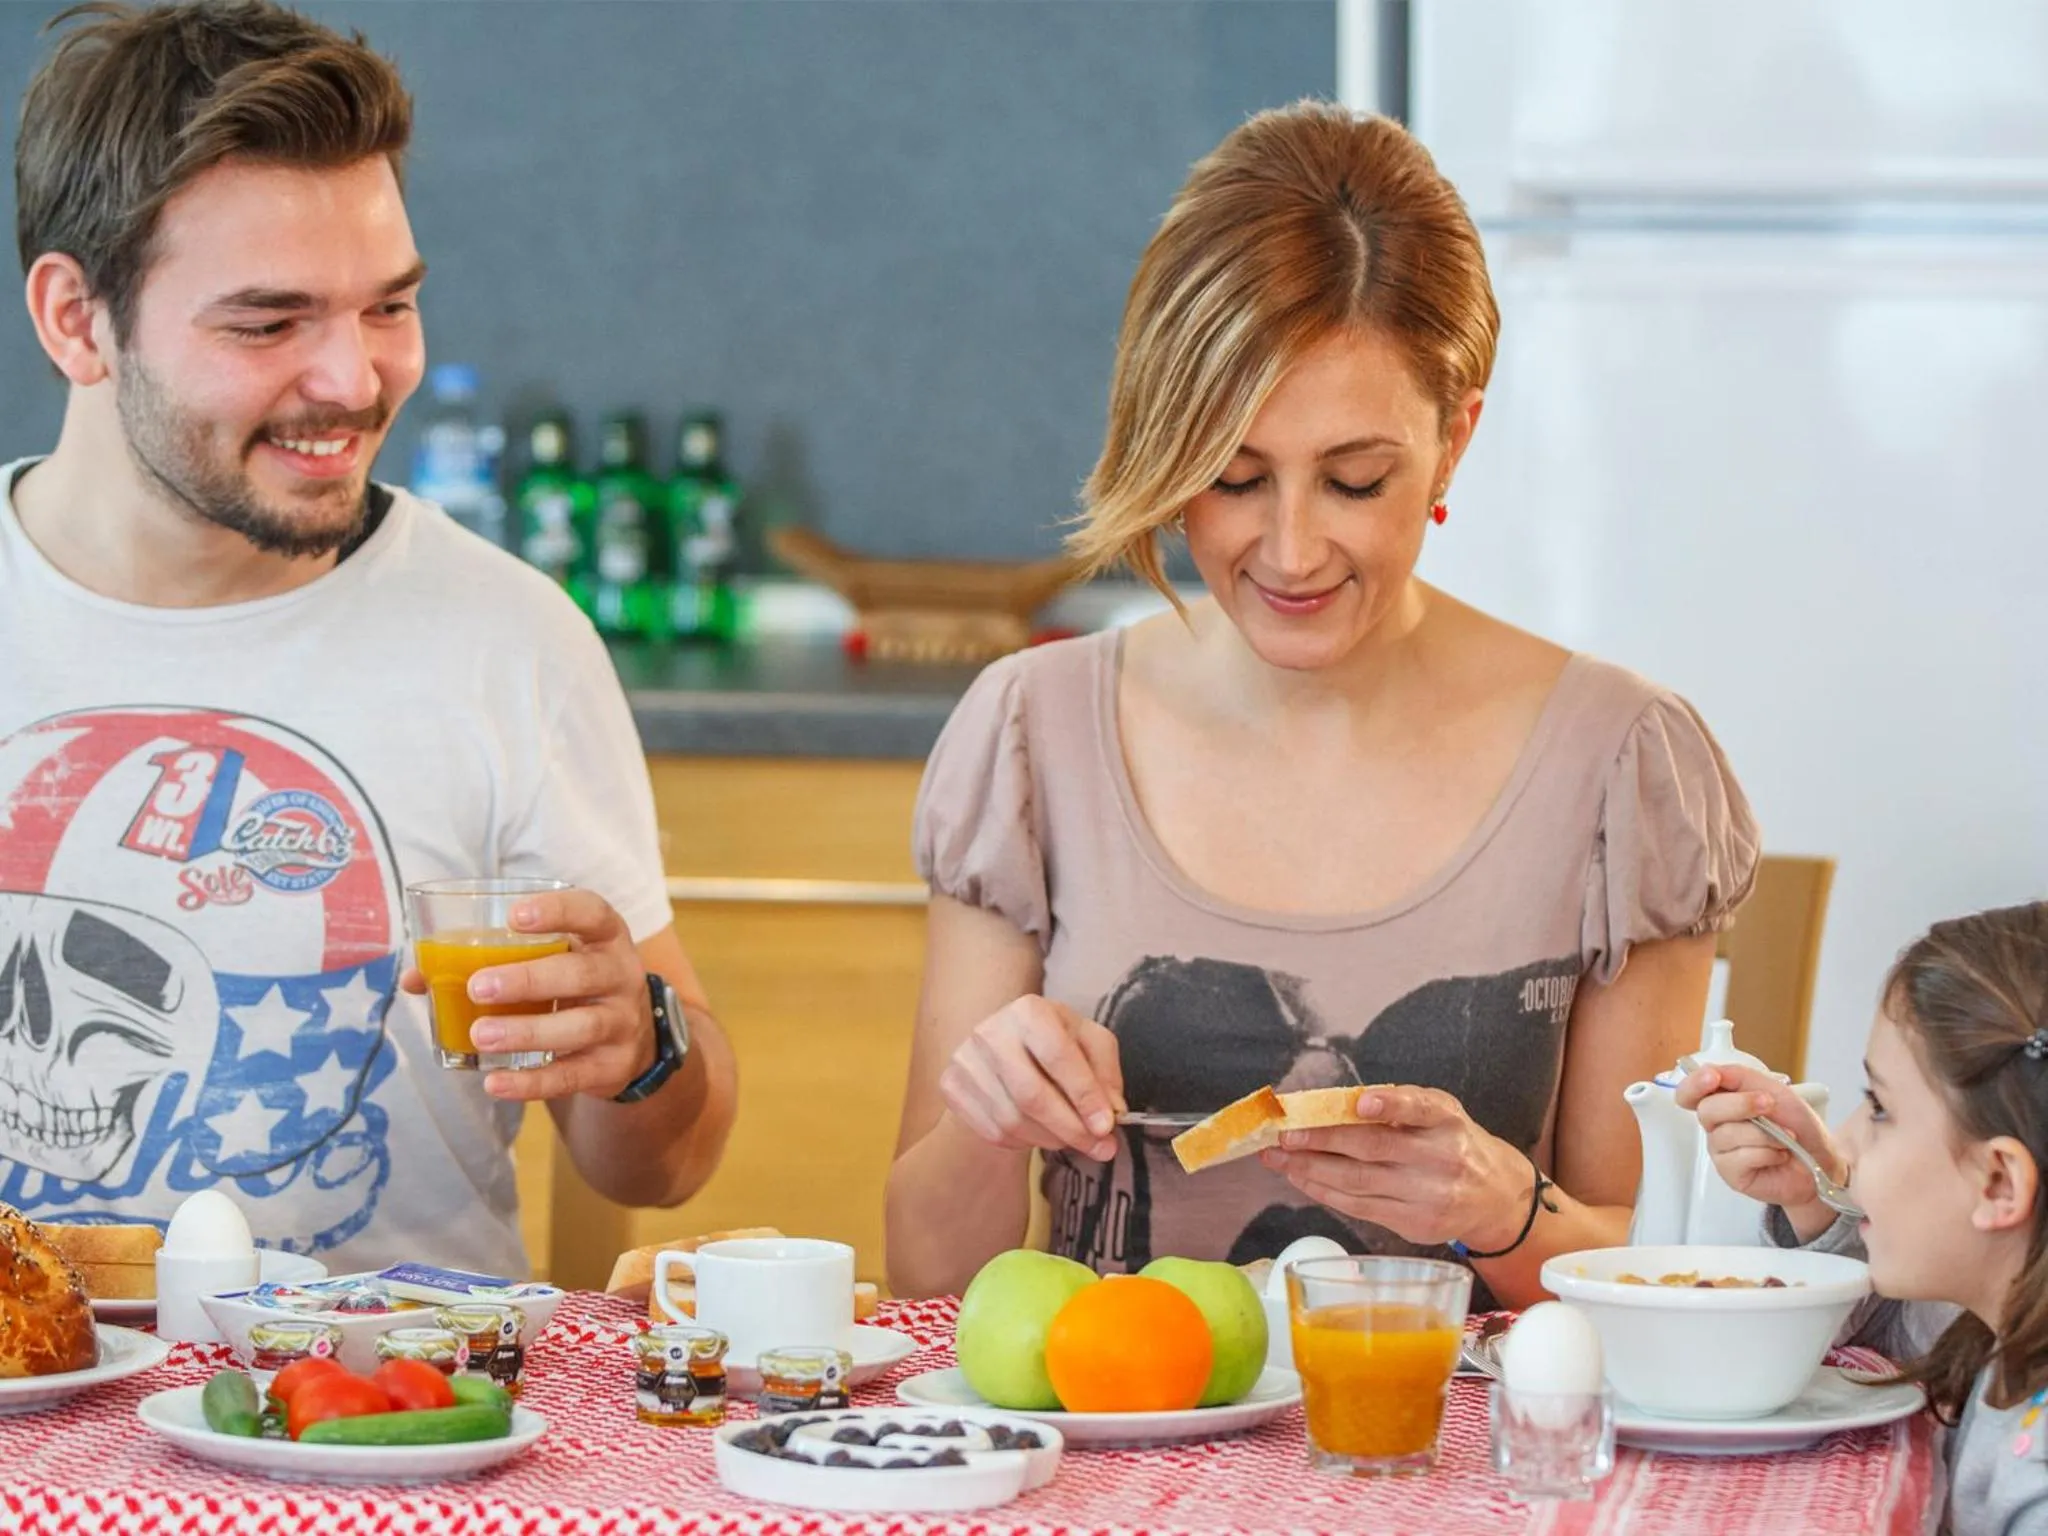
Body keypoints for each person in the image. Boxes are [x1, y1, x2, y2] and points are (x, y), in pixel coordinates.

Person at [886, 101, 1758, 1307]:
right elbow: (928, 1285)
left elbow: (1654, 1275)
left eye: (1353, 481)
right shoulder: (1032, 734)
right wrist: (988, 1120)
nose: (1290, 551)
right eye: (1231, 477)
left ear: (1453, 440)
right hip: (1115, 1422)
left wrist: (1501, 1211)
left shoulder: (1617, 762)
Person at [0, 0, 736, 1275]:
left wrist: (641, 1043)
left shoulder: (508, 637)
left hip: (398, 1392)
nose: (354, 380)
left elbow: (661, 1167)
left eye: (388, 306)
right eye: (267, 323)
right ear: (77, 321)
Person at [1681, 903, 2048, 1536]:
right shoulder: (1985, 1317)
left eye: (1878, 1108)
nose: (1845, 1144)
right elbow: (1868, 1335)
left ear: (1998, 1183)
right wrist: (1814, 1194)